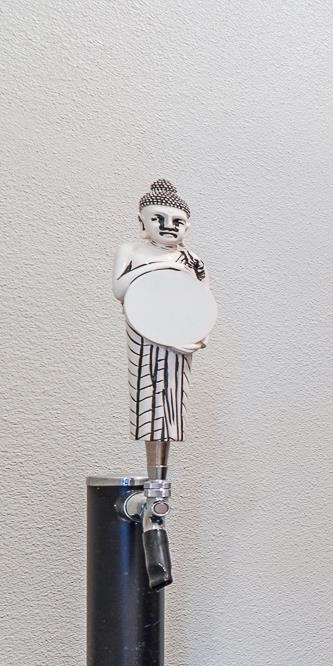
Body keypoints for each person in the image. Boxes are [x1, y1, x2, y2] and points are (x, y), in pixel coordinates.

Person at [112, 179, 211, 480]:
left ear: (187, 226)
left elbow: (204, 302)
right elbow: (120, 289)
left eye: (177, 222)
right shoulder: (132, 249)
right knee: (147, 401)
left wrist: (199, 337)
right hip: (145, 336)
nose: (168, 226)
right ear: (142, 222)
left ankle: (161, 472)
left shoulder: (192, 260)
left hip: (179, 341)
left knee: (171, 403)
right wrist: (158, 268)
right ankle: (152, 471)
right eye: (158, 219)